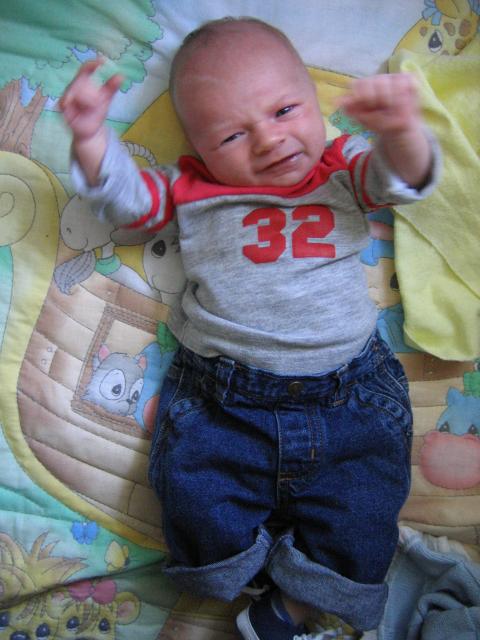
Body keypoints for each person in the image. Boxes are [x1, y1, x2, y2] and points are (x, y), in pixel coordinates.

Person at [60, 16, 440, 640]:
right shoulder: (193, 189)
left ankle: (292, 606)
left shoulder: (342, 166)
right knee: (196, 500)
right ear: (199, 148)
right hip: (223, 400)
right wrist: (89, 139)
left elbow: (406, 180)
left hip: (351, 396)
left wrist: (403, 132)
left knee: (364, 511)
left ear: (314, 100)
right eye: (233, 134)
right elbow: (125, 202)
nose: (269, 140)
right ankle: (240, 574)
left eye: (286, 110)